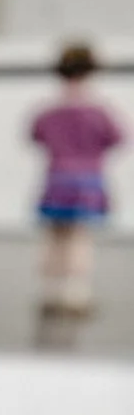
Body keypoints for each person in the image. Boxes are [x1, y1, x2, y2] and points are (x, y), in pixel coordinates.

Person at [27, 43, 120, 318]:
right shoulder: (98, 111)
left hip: (57, 178)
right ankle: (75, 293)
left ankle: (50, 292)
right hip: (88, 180)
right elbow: (117, 137)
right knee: (79, 237)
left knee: (54, 237)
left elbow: (35, 135)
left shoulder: (49, 111)